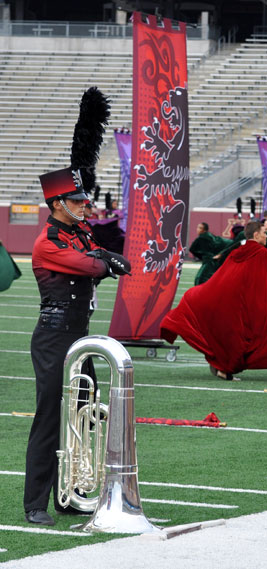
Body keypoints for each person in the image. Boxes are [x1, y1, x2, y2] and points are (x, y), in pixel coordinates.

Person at [25, 167, 131, 526]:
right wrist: (105, 262)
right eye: (77, 201)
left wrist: (104, 255)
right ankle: (35, 503)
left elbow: (96, 250)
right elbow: (87, 264)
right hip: (54, 339)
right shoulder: (48, 241)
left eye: (84, 201)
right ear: (57, 204)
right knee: (51, 419)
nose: (85, 207)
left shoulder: (76, 233)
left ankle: (68, 495)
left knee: (82, 418)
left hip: (79, 338)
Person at [161, 220, 267, 381]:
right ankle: (224, 368)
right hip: (241, 302)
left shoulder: (239, 250)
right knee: (243, 336)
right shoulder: (260, 253)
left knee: (230, 334)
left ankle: (221, 366)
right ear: (256, 235)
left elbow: (225, 274)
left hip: (228, 298)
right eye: (264, 233)